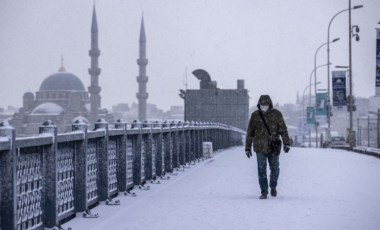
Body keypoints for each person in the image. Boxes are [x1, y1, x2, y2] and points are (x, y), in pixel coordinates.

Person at [245, 95, 290, 199]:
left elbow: (283, 130)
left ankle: (273, 186)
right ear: (259, 105)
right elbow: (250, 132)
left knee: (275, 169)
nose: (263, 107)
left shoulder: (277, 114)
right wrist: (247, 147)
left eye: (265, 105)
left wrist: (286, 143)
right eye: (262, 105)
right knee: (261, 170)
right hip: (259, 147)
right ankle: (264, 191)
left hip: (273, 147)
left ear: (270, 105)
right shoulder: (255, 115)